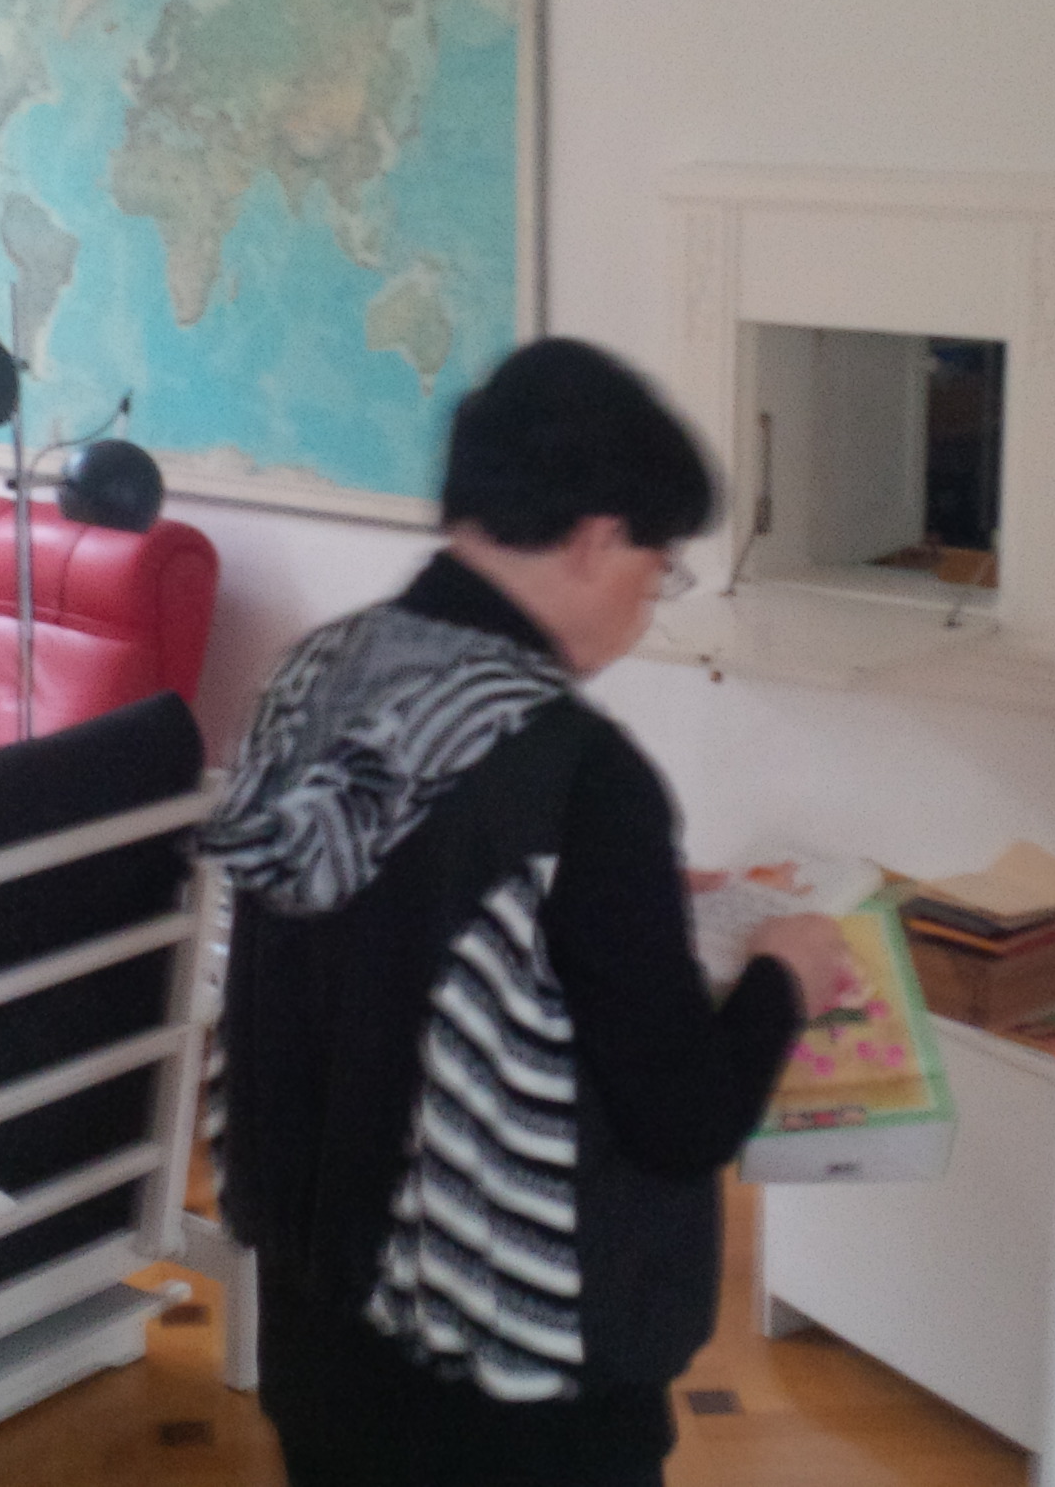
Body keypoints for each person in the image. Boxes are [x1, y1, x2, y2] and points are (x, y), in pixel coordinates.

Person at [206, 336, 855, 1487]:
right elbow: (683, 1120)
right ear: (600, 539)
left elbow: (393, 921)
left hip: (319, 1325)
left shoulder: (314, 673)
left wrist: (631, 913)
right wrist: (782, 979)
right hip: (513, 1372)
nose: (650, 606)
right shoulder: (580, 777)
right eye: (660, 570)